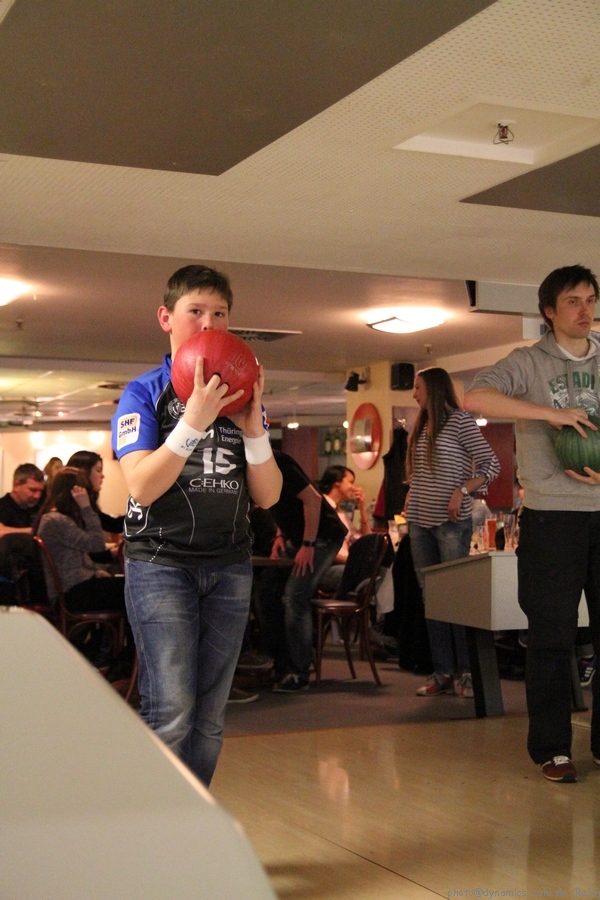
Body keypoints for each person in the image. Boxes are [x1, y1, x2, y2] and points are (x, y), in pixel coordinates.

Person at [111, 263, 282, 787]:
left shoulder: (240, 393)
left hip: (229, 565)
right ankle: (157, 825)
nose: (209, 324)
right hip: (161, 565)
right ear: (166, 318)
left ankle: (193, 822)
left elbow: (268, 495)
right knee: (171, 713)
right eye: (195, 311)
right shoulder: (143, 392)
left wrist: (254, 429)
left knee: (209, 719)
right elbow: (141, 487)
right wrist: (192, 422)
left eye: (220, 314)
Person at [464, 263, 600, 783]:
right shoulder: (527, 362)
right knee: (551, 636)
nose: (585, 310)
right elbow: (475, 398)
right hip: (552, 517)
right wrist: (551, 414)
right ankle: (552, 749)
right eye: (573, 301)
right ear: (548, 311)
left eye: (590, 299)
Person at [406, 367, 500, 699]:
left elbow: (491, 464)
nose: (414, 394)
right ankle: (443, 671)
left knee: (455, 597)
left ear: (433, 389)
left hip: (450, 521)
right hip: (419, 518)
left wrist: (461, 490)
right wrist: (412, 495)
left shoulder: (460, 422)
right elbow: (421, 471)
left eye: (417, 388)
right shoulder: (421, 425)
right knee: (431, 596)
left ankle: (467, 672)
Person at [256, 450, 347, 692]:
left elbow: (313, 499)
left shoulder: (276, 461)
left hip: (323, 536)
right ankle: (282, 664)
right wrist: (280, 535)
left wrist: (308, 544)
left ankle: (299, 672)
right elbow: (278, 502)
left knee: (294, 596)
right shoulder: (252, 465)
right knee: (265, 593)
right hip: (297, 538)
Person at [35, 467, 125, 611]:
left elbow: (79, 556)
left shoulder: (58, 519)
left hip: (77, 587)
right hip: (70, 593)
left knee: (130, 587)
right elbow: (97, 545)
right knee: (134, 589)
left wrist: (95, 573)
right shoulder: (55, 520)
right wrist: (86, 508)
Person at [318, 464, 371, 594]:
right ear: (337, 482)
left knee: (379, 570)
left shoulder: (341, 513)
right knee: (369, 573)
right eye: (350, 482)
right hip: (325, 568)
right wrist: (354, 561)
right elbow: (324, 549)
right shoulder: (322, 508)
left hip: (345, 565)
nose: (353, 487)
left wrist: (362, 507)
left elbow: (365, 539)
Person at [0, 463, 45, 536]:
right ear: (16, 485)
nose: (37, 496)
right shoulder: (2, 506)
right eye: (33, 490)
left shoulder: (38, 508)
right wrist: (35, 531)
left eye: (40, 491)